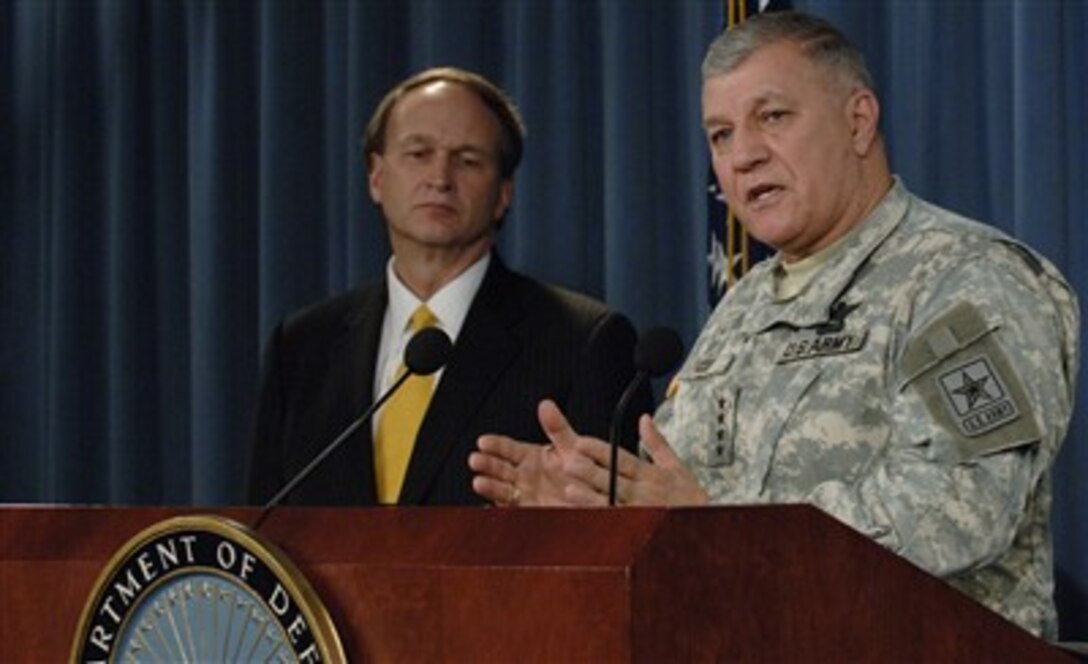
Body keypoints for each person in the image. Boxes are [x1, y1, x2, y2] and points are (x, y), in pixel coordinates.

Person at [469, 12, 1079, 639]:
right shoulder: (746, 305)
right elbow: (678, 501)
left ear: (858, 120)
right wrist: (598, 510)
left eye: (773, 117)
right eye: (721, 134)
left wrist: (714, 527)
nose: (744, 155)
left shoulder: (967, 279)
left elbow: (962, 508)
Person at [247, 67, 651, 507]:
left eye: (468, 160)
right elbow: (261, 539)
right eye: (418, 153)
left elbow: (614, 536)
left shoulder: (583, 341)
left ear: (503, 193)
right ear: (376, 176)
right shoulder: (303, 346)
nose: (440, 178)